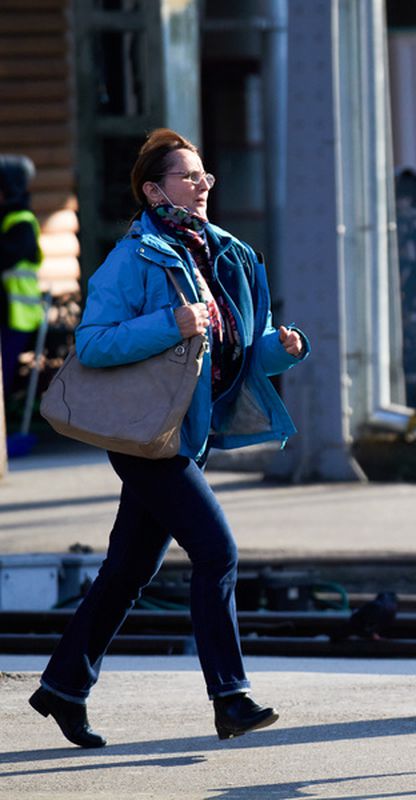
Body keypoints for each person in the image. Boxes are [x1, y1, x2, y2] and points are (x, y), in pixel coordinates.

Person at [29, 128, 309, 748]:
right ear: (154, 191)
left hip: (189, 433)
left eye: (204, 175)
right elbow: (93, 344)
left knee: (130, 568)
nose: (202, 185)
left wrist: (283, 349)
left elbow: (243, 351)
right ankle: (230, 698)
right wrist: (170, 323)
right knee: (217, 552)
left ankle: (63, 687)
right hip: (146, 435)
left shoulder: (230, 255)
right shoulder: (135, 258)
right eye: (188, 176)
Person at [0, 154, 44, 401]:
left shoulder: (21, 222)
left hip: (16, 315)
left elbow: (5, 257)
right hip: (7, 313)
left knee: (3, 375)